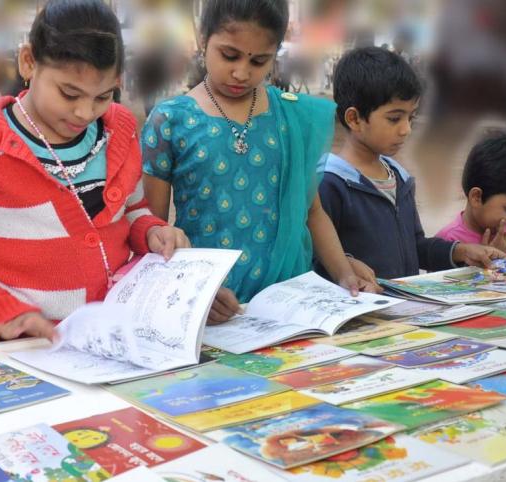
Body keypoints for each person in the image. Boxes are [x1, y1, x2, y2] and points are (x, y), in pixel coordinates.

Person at [0, 0, 188, 342]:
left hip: (119, 337)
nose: (84, 112)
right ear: (28, 61)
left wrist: (153, 231)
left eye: (103, 96)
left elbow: (133, 209)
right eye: (69, 93)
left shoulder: (118, 131)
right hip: (30, 348)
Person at [141, 0, 377, 325]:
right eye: (229, 55)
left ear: (276, 52)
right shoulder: (169, 121)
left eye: (259, 61)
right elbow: (152, 233)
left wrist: (345, 276)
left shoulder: (290, 115)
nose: (241, 72)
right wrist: (193, 293)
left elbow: (311, 211)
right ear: (202, 38)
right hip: (209, 306)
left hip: (289, 302)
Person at [319, 47, 505, 280]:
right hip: (361, 309)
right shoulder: (330, 183)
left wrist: (460, 251)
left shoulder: (399, 177)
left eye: (411, 117)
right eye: (394, 118)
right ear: (354, 119)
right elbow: (316, 258)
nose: (406, 129)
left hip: (402, 309)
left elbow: (415, 247)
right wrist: (345, 265)